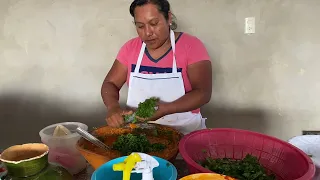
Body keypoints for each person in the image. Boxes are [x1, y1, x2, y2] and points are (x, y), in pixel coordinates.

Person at [101, 0, 212, 135]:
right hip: (140, 132)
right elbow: (110, 83)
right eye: (140, 26)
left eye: (154, 24)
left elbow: (203, 93)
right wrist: (113, 107)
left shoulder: (191, 46)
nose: (148, 33)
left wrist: (166, 109)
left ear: (168, 18)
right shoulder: (130, 49)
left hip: (185, 131)